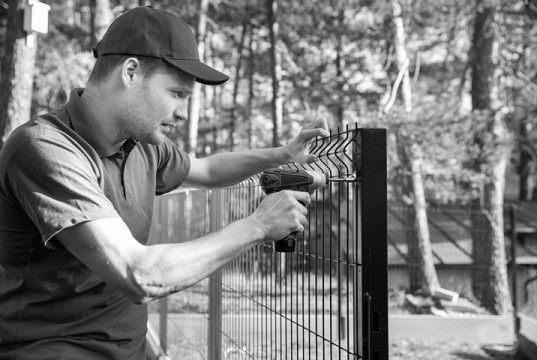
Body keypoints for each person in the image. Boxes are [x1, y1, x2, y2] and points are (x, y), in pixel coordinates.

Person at [0, 6, 328, 360]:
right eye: (177, 93)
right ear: (130, 72)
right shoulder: (47, 149)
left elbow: (209, 171)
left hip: (132, 349)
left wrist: (281, 154)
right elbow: (138, 273)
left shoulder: (143, 143)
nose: (183, 112)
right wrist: (259, 225)